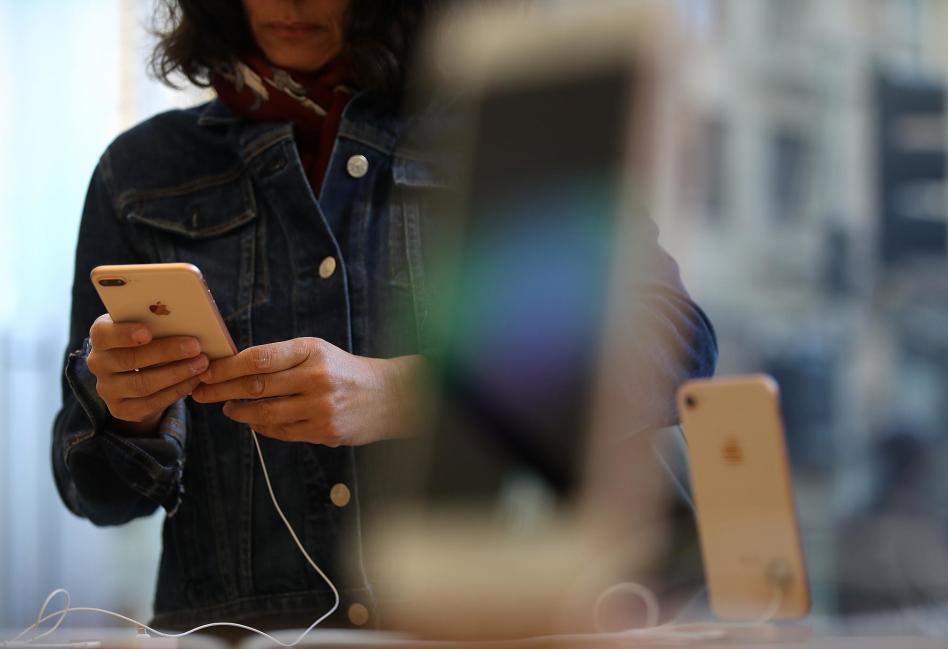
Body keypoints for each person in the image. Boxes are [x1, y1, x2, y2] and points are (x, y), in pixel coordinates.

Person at [51, 0, 718, 634]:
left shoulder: (503, 137)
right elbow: (96, 496)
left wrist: (407, 395)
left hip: (488, 628)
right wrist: (126, 414)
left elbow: (678, 346)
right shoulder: (140, 172)